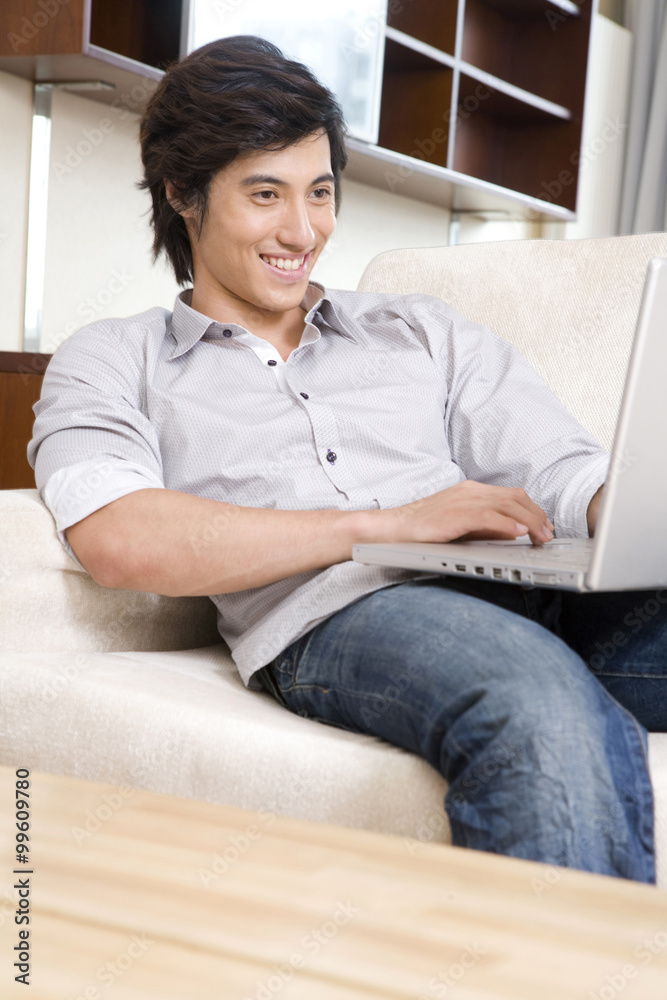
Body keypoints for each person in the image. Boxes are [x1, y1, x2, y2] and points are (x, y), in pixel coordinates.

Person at [28, 35, 664, 884]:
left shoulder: (419, 329)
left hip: (526, 585)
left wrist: (616, 513)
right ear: (182, 192)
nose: (302, 230)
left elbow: (557, 461)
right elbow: (119, 536)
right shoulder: (113, 357)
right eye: (265, 194)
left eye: (319, 193)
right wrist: (385, 527)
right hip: (344, 617)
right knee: (533, 702)